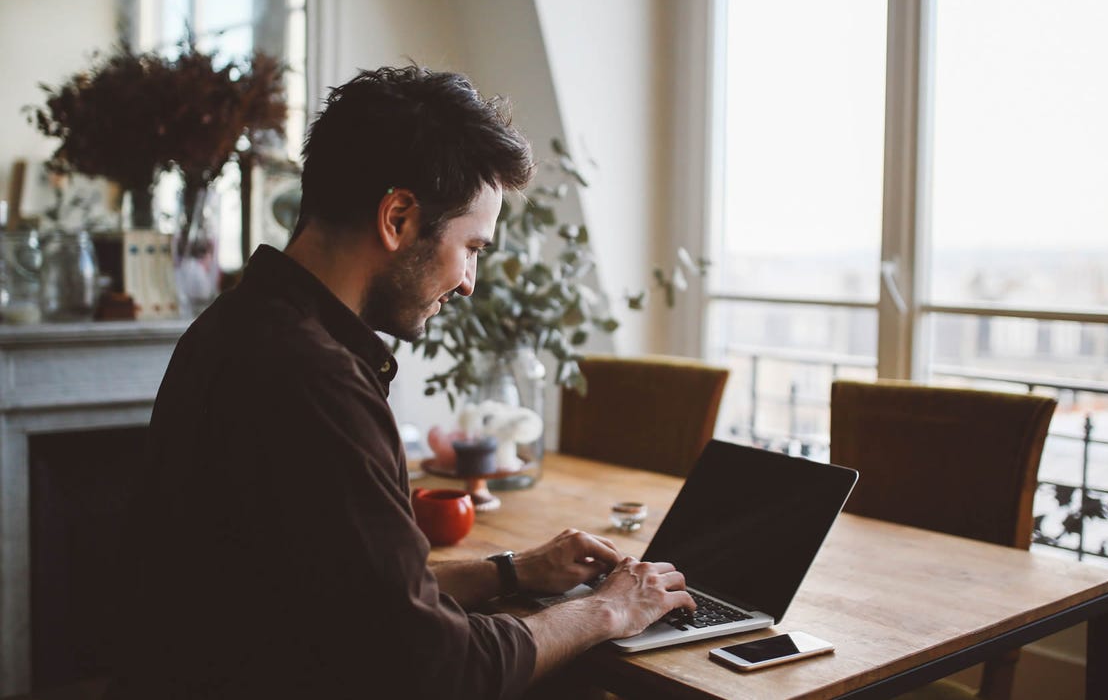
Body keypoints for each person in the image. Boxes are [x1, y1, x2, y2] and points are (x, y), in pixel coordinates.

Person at [105, 66, 695, 700]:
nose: (469, 281)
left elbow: (362, 599)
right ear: (398, 217)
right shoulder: (315, 382)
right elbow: (438, 668)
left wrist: (514, 571)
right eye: (471, 247)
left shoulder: (241, 325)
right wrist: (605, 611)